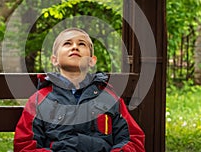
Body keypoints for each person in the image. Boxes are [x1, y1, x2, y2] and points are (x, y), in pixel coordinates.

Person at [14, 28, 145, 152]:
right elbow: (25, 145)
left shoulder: (109, 97)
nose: (75, 47)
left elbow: (132, 140)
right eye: (67, 43)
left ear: (92, 61)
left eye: (81, 44)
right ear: (54, 60)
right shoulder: (40, 99)